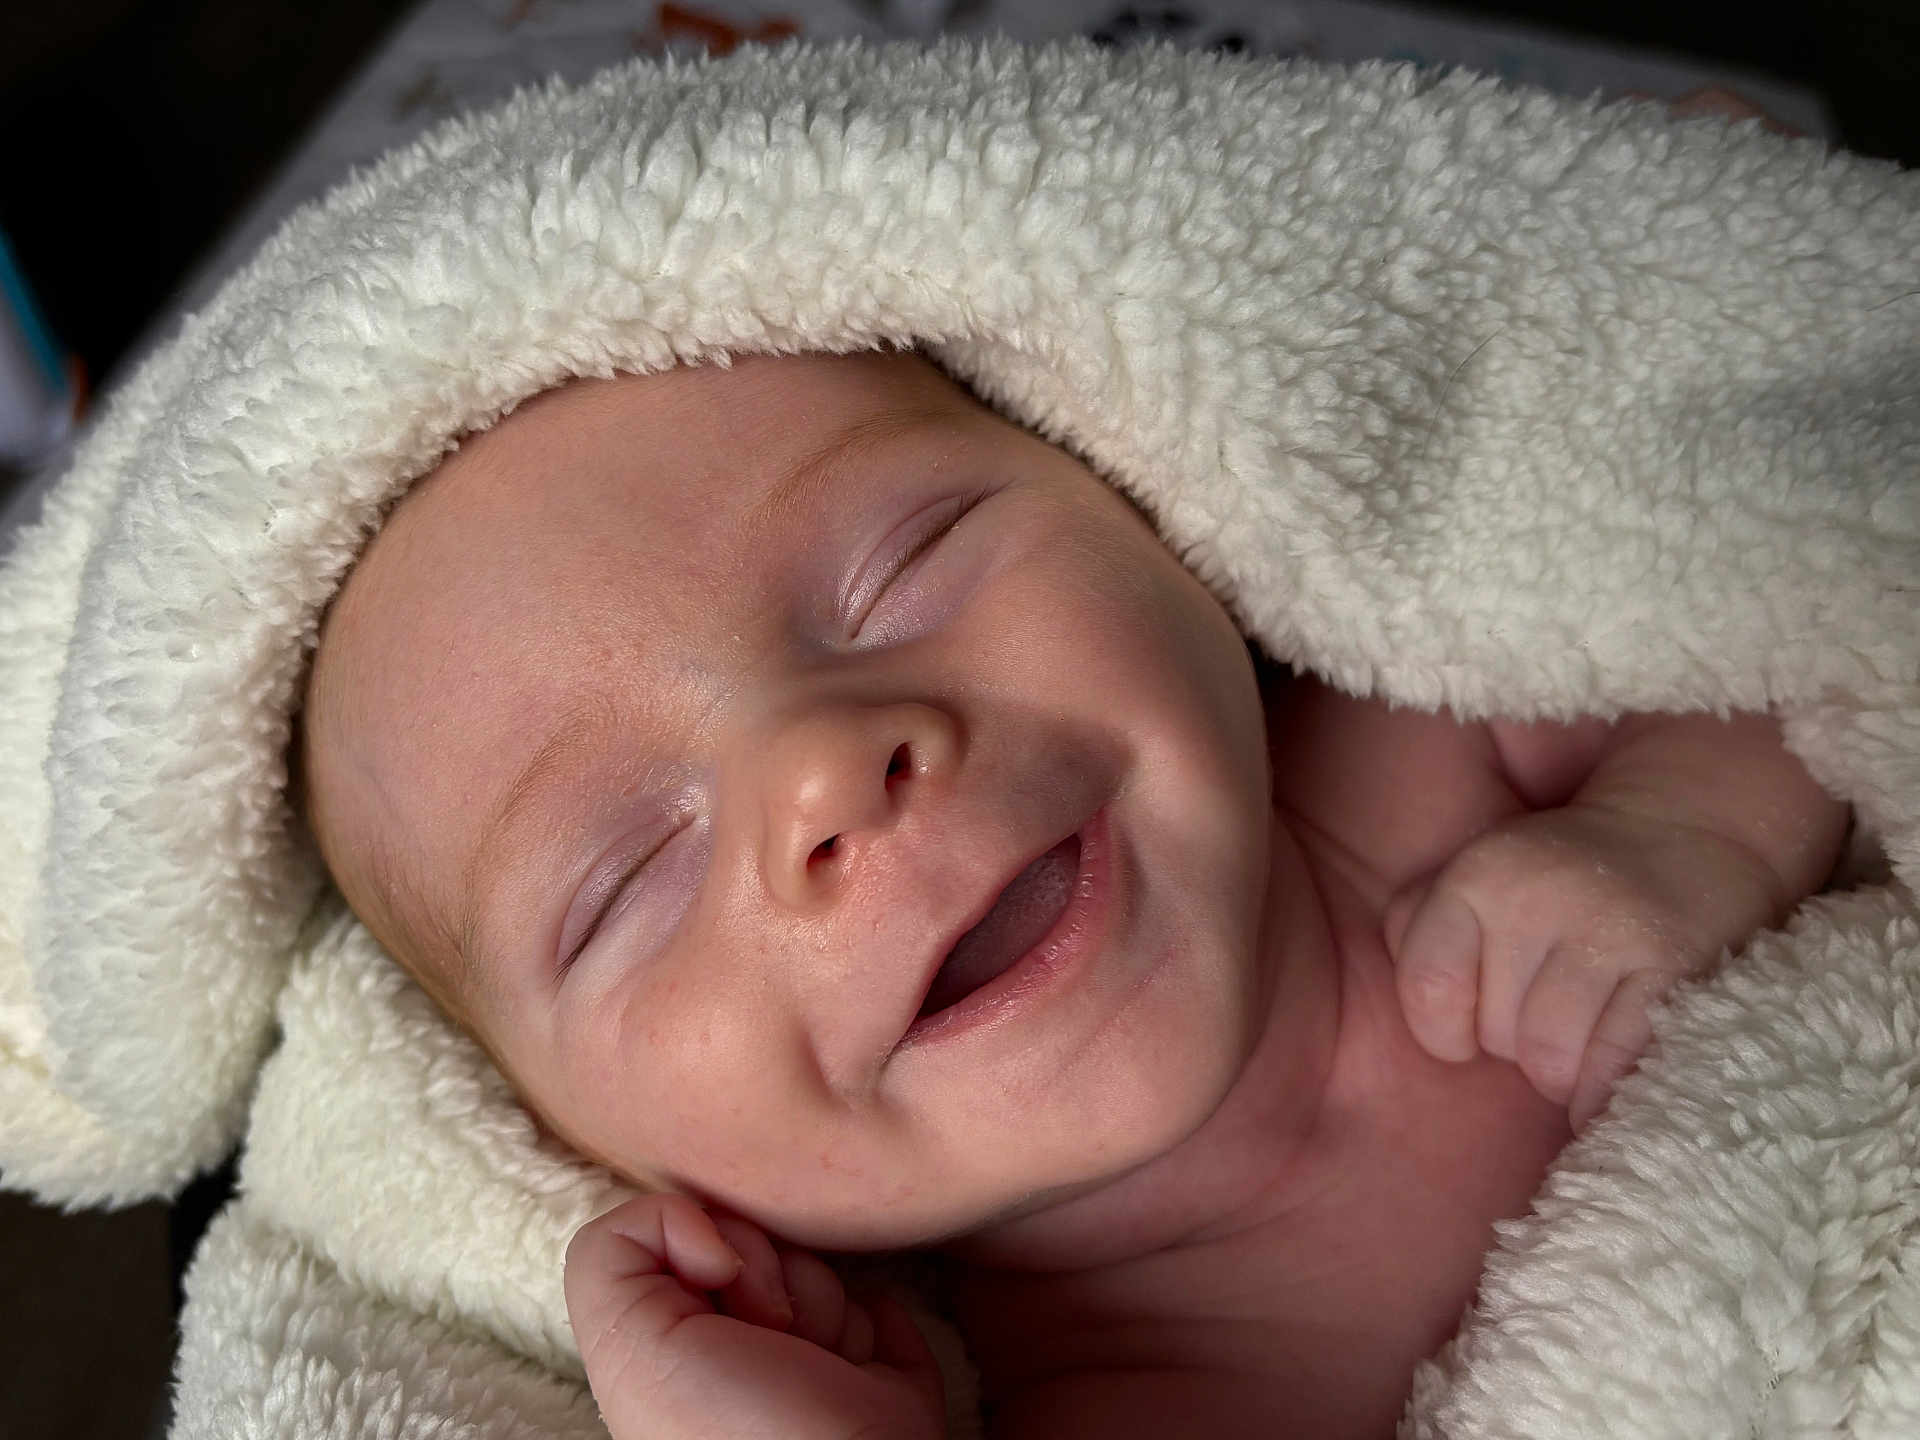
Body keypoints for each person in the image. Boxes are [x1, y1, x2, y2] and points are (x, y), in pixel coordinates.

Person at [296, 345, 1851, 1438]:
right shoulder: (1123, 1398)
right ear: (572, 1146)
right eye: (626, 878)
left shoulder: (1424, 744)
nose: (827, 774)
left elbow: (1790, 590)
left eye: (905, 564)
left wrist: (1686, 829)